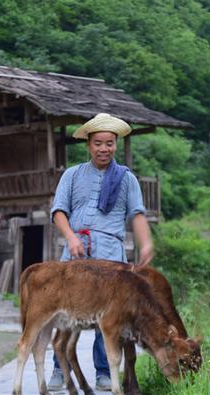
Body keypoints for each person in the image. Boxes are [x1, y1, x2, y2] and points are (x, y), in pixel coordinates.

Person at [47, 113, 154, 392]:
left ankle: (105, 371)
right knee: (65, 309)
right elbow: (58, 211)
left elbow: (137, 214)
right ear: (89, 145)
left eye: (109, 143)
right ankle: (60, 369)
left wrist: (146, 244)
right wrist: (70, 237)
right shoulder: (71, 175)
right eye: (98, 143)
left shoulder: (126, 179)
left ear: (115, 144)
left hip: (111, 252)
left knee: (111, 315)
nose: (103, 148)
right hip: (77, 250)